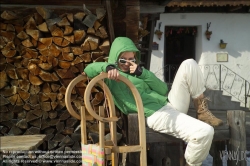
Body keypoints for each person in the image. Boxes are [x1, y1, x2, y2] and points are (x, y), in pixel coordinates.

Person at [83, 37, 223, 166]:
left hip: (169, 104)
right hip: (155, 115)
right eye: (122, 60)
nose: (127, 63)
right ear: (115, 59)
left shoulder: (138, 73)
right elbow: (88, 69)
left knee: (189, 63)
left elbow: (162, 90)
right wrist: (108, 67)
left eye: (131, 59)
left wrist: (142, 73)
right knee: (204, 132)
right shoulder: (112, 76)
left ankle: (202, 110)